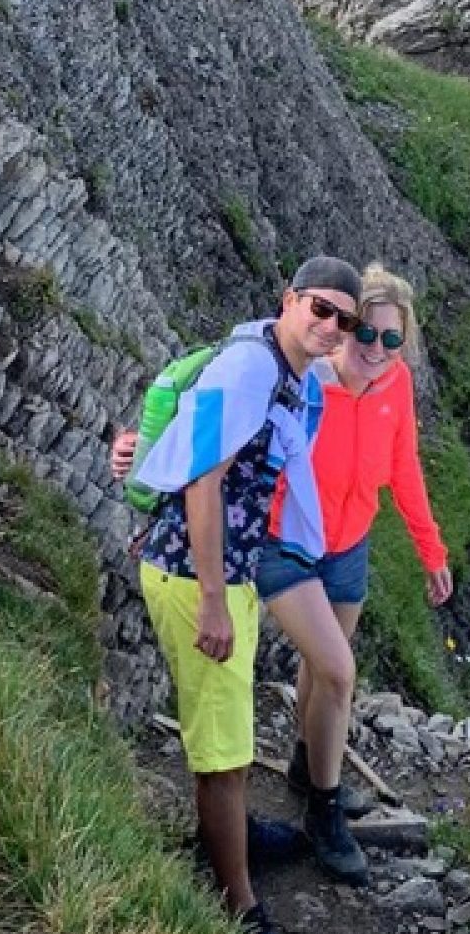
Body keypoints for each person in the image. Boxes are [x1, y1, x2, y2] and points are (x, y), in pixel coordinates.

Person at [113, 264, 452, 890]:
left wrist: (432, 552)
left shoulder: (367, 382)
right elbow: (205, 429)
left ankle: (302, 775)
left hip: (337, 544)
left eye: (386, 338)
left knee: (315, 674)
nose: (371, 347)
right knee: (333, 674)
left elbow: (403, 465)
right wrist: (143, 447)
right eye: (356, 330)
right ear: (294, 305)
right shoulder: (284, 368)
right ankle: (301, 830)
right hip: (267, 551)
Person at [126, 258, 359, 934]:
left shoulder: (278, 365)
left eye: (343, 321)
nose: (330, 327)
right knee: (222, 750)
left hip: (230, 575)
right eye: (320, 309)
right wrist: (212, 601)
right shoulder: (254, 371)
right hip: (197, 577)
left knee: (228, 725)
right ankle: (237, 901)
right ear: (288, 300)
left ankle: (231, 833)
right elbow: (204, 481)